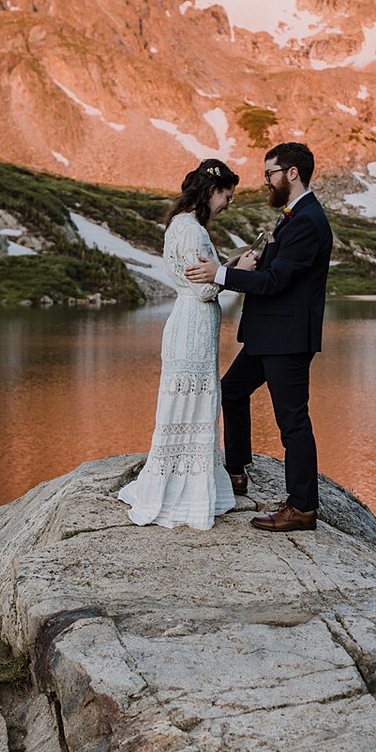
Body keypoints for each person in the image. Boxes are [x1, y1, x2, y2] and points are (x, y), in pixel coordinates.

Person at [185, 141, 333, 532]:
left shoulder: (306, 220)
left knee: (293, 422)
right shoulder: (293, 216)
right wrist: (247, 260)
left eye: (270, 173)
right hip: (270, 335)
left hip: (287, 339)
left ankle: (302, 508)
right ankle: (236, 471)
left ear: (292, 173)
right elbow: (277, 270)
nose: (266, 180)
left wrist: (219, 275)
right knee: (231, 391)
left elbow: (276, 282)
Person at [119, 159, 257, 530]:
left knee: (183, 402)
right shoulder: (193, 231)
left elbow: (197, 278)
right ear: (212, 191)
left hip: (184, 321)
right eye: (227, 195)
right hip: (195, 322)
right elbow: (205, 288)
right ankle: (184, 491)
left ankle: (180, 478)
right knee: (196, 401)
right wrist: (240, 269)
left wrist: (227, 265)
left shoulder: (177, 225)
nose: (228, 203)